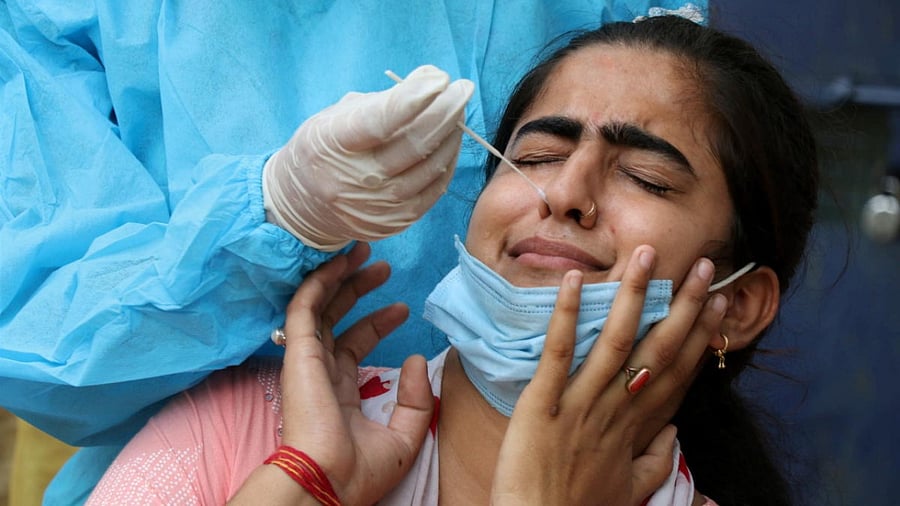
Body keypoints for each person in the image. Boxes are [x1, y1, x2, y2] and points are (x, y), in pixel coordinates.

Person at [87, 15, 819, 505]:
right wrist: (297, 485)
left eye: (647, 178)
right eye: (535, 155)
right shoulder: (254, 437)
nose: (567, 192)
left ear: (739, 304)